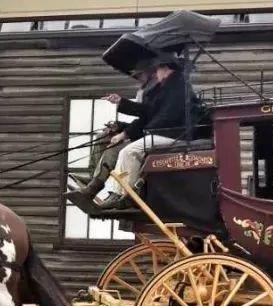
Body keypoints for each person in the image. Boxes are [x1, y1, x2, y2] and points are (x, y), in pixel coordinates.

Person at [92, 56, 200, 211]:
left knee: (129, 152)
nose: (156, 74)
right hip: (168, 134)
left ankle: (125, 196)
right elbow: (151, 112)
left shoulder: (176, 88)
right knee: (127, 150)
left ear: (166, 69)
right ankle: (115, 192)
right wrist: (122, 105)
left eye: (157, 70)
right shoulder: (171, 87)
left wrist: (145, 130)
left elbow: (164, 116)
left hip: (175, 136)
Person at [65, 63, 156, 207]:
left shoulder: (156, 92)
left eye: (140, 75)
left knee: (114, 148)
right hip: (142, 132)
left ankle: (95, 188)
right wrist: (119, 126)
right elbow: (142, 120)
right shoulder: (145, 90)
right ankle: (93, 178)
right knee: (103, 137)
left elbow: (147, 119)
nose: (138, 78)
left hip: (151, 136)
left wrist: (124, 134)